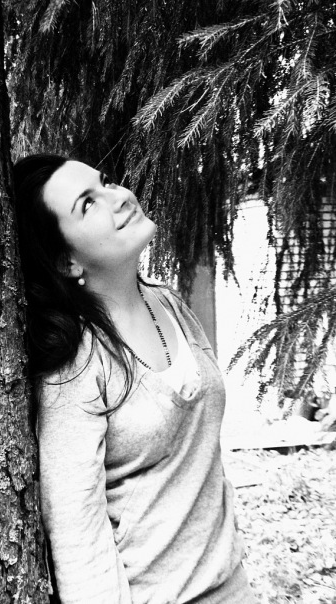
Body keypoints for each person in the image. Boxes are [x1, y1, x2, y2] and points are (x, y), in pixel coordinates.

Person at [13, 154, 257, 604]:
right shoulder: (78, 364)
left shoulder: (170, 304)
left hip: (231, 584)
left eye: (106, 182)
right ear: (66, 261)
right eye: (88, 203)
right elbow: (77, 533)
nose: (120, 197)